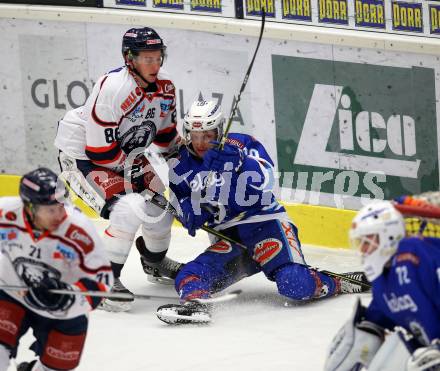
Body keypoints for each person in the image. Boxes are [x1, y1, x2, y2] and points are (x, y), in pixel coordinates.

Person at [155, 99, 369, 324]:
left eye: (207, 135)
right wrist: (190, 212)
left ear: (219, 130)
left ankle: (336, 282)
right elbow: (181, 200)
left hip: (266, 225)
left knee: (294, 284)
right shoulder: (180, 162)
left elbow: (266, 181)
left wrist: (240, 163)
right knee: (189, 275)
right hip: (230, 239)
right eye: (195, 136)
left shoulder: (240, 145)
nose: (200, 143)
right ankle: (196, 305)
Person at [54, 27, 182, 312]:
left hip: (123, 155)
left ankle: (155, 261)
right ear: (129, 58)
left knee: (164, 204)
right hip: (83, 156)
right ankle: (102, 281)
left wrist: (186, 158)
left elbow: (165, 137)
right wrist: (138, 181)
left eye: (157, 56)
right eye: (146, 58)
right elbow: (100, 151)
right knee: (129, 207)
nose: (154, 64)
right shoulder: (113, 87)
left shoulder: (166, 87)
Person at [0, 168, 113, 371]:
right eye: (51, 209)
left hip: (63, 310)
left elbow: (102, 283)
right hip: (12, 295)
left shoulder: (78, 230)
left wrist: (66, 297)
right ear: (30, 207)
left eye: (62, 206)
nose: (59, 214)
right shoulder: (4, 213)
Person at [324, 200, 440, 371]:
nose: (363, 250)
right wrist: (363, 333)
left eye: (367, 241)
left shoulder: (416, 255)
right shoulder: (382, 280)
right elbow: (377, 320)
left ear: (389, 235)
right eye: (360, 243)